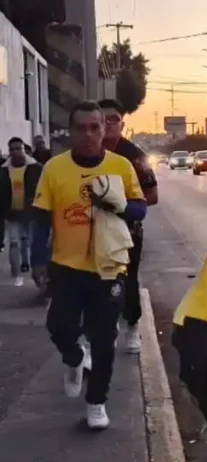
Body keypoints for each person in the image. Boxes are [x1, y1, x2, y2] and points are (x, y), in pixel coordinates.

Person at [30, 100, 147, 430]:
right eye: (81, 127)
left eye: (95, 127)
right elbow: (40, 220)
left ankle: (97, 402)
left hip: (109, 266)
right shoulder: (54, 168)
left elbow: (140, 209)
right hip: (66, 266)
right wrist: (38, 260)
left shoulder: (121, 166)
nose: (89, 133)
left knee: (105, 336)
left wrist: (116, 204)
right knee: (59, 327)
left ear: (104, 129)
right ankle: (75, 358)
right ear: (71, 131)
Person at [99, 99, 159, 353]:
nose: (107, 124)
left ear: (122, 124)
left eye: (113, 119)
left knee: (128, 280)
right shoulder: (87, 154)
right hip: (90, 231)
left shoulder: (135, 156)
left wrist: (121, 206)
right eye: (102, 119)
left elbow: (153, 196)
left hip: (127, 232)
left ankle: (132, 328)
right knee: (96, 282)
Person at [0, 137, 44, 286]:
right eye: (12, 149)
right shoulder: (4, 171)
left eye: (19, 148)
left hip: (32, 213)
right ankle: (16, 273)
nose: (16, 152)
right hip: (12, 213)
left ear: (24, 150)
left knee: (31, 242)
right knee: (14, 243)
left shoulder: (36, 168)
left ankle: (34, 270)